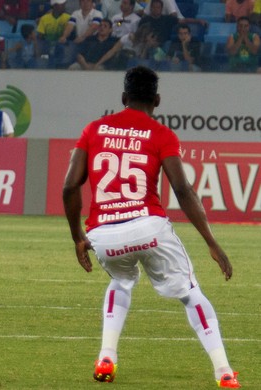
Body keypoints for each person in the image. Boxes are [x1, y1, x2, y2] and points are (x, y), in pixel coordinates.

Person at [62, 66, 241, 389]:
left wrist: (78, 237)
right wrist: (211, 242)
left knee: (121, 278)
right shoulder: (161, 134)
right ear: (157, 100)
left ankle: (106, 356)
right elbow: (183, 190)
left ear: (123, 97)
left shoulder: (94, 130)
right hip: (149, 227)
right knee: (190, 293)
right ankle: (224, 371)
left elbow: (69, 187)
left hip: (103, 234)